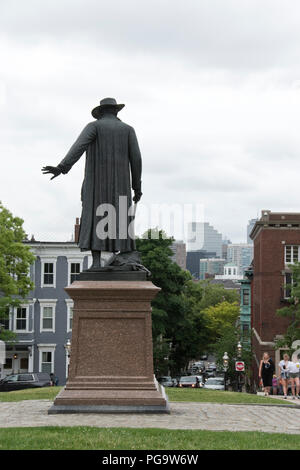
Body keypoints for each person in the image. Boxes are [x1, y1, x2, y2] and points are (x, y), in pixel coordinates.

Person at [42, 97, 143, 271]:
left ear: (100, 112)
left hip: (96, 185)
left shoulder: (94, 127)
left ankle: (96, 262)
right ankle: (119, 257)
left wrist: (61, 167)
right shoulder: (128, 130)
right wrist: (137, 187)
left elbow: (78, 148)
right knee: (119, 217)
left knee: (95, 216)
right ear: (116, 111)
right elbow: (137, 160)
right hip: (121, 187)